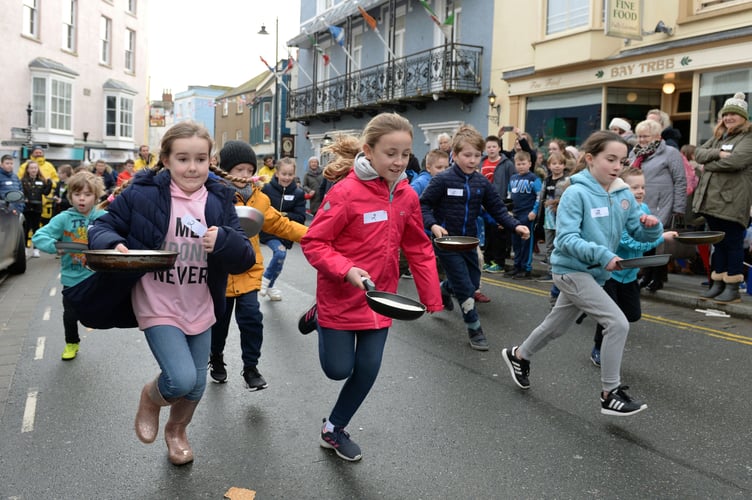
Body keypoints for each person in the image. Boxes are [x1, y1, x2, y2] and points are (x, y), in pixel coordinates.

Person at [80, 121, 255, 465]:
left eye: (201, 159)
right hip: (157, 299)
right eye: (183, 159)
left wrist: (224, 241)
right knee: (179, 378)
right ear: (165, 159)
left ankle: (176, 432)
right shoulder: (142, 192)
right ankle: (150, 397)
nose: (192, 168)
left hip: (201, 302)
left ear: (210, 160)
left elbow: (244, 258)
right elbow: (102, 225)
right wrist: (113, 244)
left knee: (197, 385)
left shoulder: (219, 198)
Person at [300, 113, 443, 462]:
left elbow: (419, 247)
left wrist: (431, 297)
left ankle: (334, 428)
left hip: (380, 299)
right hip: (339, 295)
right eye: (390, 153)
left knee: (367, 369)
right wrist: (346, 269)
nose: (398, 162)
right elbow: (314, 243)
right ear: (369, 150)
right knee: (338, 369)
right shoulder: (346, 192)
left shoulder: (407, 196)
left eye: (405, 154)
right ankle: (318, 316)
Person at [501, 130, 663, 417]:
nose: (616, 166)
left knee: (557, 326)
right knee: (617, 323)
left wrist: (651, 226)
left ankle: (519, 355)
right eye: (610, 159)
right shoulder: (576, 193)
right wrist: (603, 255)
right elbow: (565, 240)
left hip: (594, 273)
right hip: (571, 270)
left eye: (621, 161)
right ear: (590, 159)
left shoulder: (623, 193)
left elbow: (637, 231)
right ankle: (609, 393)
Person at [421, 124, 530, 351]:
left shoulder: (481, 182)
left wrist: (515, 226)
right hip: (446, 241)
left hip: (469, 241)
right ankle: (474, 326)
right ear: (455, 155)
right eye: (466, 155)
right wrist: (433, 225)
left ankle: (444, 287)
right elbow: (423, 205)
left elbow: (497, 209)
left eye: (477, 156)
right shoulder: (442, 179)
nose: (472, 160)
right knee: (464, 286)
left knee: (471, 281)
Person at [209, 140, 307, 390]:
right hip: (219, 271)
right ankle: (216, 358)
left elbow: (281, 224)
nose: (245, 175)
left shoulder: (259, 199)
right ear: (225, 170)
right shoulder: (212, 195)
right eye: (238, 169)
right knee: (218, 322)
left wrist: (314, 235)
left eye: (249, 170)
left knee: (252, 319)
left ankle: (251, 367)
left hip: (247, 269)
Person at [589, 168, 678, 365]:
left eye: (643, 187)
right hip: (611, 273)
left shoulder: (644, 209)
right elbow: (631, 243)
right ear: (622, 189)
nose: (640, 191)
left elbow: (651, 233)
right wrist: (661, 238)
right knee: (611, 318)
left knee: (632, 314)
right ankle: (598, 347)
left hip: (630, 274)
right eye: (634, 187)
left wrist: (659, 231)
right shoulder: (616, 211)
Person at [31, 171, 106, 360]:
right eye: (77, 194)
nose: (82, 199)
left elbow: (120, 235)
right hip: (71, 277)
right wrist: (55, 247)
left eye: (87, 195)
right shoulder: (64, 218)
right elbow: (40, 236)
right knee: (70, 315)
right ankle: (72, 343)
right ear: (70, 196)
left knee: (100, 310)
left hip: (98, 277)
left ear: (96, 196)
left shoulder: (103, 216)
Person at [693, 92, 752, 303]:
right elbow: (698, 153)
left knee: (733, 244)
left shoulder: (749, 137)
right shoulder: (720, 136)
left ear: (743, 117)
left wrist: (708, 165)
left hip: (733, 201)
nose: (728, 118)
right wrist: (717, 154)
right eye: (726, 114)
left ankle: (732, 286)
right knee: (718, 244)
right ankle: (717, 283)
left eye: (733, 115)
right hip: (713, 201)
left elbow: (735, 162)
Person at [630, 119, 687, 291]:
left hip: (662, 203)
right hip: (641, 202)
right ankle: (646, 275)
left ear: (657, 136)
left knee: (658, 241)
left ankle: (657, 278)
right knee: (644, 238)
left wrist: (679, 208)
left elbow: (680, 180)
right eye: (639, 136)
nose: (641, 140)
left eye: (645, 136)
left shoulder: (670, 152)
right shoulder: (635, 153)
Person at [259, 157, 307, 300]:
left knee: (280, 261)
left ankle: (271, 286)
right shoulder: (266, 188)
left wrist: (284, 215)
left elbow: (300, 217)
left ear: (294, 175)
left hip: (286, 232)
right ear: (277, 173)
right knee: (280, 253)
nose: (286, 177)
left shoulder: (298, 194)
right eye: (284, 174)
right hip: (268, 231)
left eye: (290, 174)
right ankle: (265, 280)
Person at [480, 135, 514, 275]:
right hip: (484, 203)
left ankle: (499, 262)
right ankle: (488, 260)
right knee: (488, 233)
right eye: (489, 147)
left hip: (499, 202)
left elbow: (512, 182)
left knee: (499, 233)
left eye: (494, 146)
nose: (491, 149)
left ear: (499, 148)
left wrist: (509, 203)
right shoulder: (481, 162)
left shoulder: (507, 164)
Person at [508, 151, 541, 279]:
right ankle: (517, 266)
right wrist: (508, 211)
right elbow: (509, 196)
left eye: (523, 163)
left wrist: (534, 211)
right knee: (515, 242)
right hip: (514, 215)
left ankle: (526, 268)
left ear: (529, 164)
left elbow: (539, 196)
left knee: (526, 242)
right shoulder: (513, 178)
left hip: (527, 214)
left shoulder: (533, 179)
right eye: (518, 164)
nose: (521, 166)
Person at [537, 151, 568, 282]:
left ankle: (560, 271)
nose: (557, 166)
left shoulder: (567, 181)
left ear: (564, 166)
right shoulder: (546, 180)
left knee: (560, 246)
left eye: (560, 164)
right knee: (549, 246)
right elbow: (541, 198)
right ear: (549, 165)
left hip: (561, 218)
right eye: (554, 164)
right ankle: (550, 271)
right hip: (548, 219)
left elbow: (569, 199)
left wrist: (556, 203)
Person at [19, 145, 59, 224]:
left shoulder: (49, 166)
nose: (38, 154)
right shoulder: (24, 166)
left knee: (43, 223)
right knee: (28, 224)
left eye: (40, 152)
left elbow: (56, 180)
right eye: (36, 152)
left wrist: (49, 183)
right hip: (29, 203)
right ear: (32, 153)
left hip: (46, 201)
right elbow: (20, 181)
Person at [21, 161, 53, 257]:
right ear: (27, 169)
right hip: (27, 208)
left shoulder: (41, 180)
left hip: (37, 208)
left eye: (35, 168)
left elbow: (46, 192)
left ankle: (36, 249)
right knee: (26, 228)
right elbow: (20, 192)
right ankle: (25, 248)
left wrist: (49, 184)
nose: (34, 170)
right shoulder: (23, 181)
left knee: (36, 228)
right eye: (31, 168)